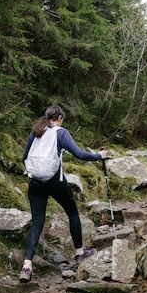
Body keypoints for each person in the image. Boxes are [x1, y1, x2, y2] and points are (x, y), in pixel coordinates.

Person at [19, 105, 106, 283]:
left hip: (35, 183)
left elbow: (24, 158)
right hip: (55, 182)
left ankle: (27, 266)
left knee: (37, 222)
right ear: (58, 118)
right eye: (62, 119)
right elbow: (80, 154)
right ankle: (80, 253)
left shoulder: (36, 132)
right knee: (72, 213)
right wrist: (99, 156)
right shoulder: (60, 133)